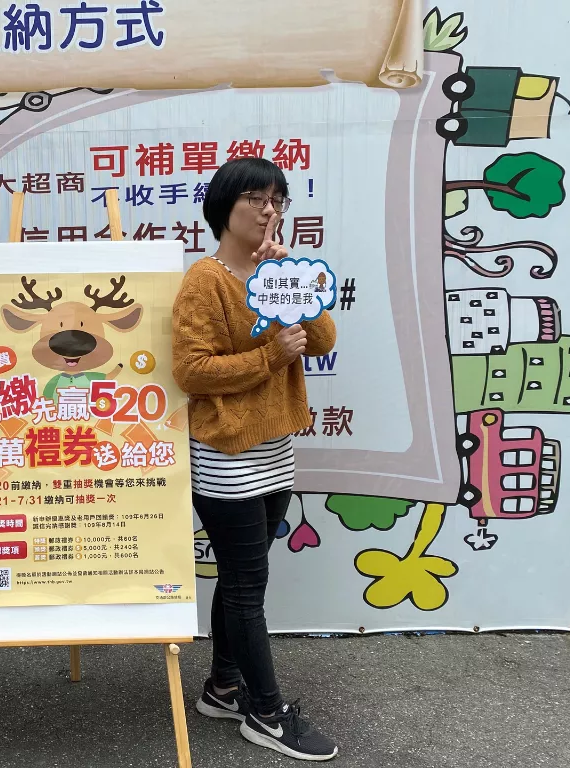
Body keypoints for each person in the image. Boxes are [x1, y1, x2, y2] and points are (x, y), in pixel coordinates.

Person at [171, 157, 338, 761]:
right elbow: (192, 370)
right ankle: (265, 712)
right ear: (225, 207)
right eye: (256, 198)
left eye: (277, 199)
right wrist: (270, 356)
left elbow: (323, 340)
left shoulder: (277, 272)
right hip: (226, 454)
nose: (269, 210)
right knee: (247, 587)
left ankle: (222, 687)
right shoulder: (205, 280)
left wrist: (289, 278)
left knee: (243, 579)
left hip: (275, 447)